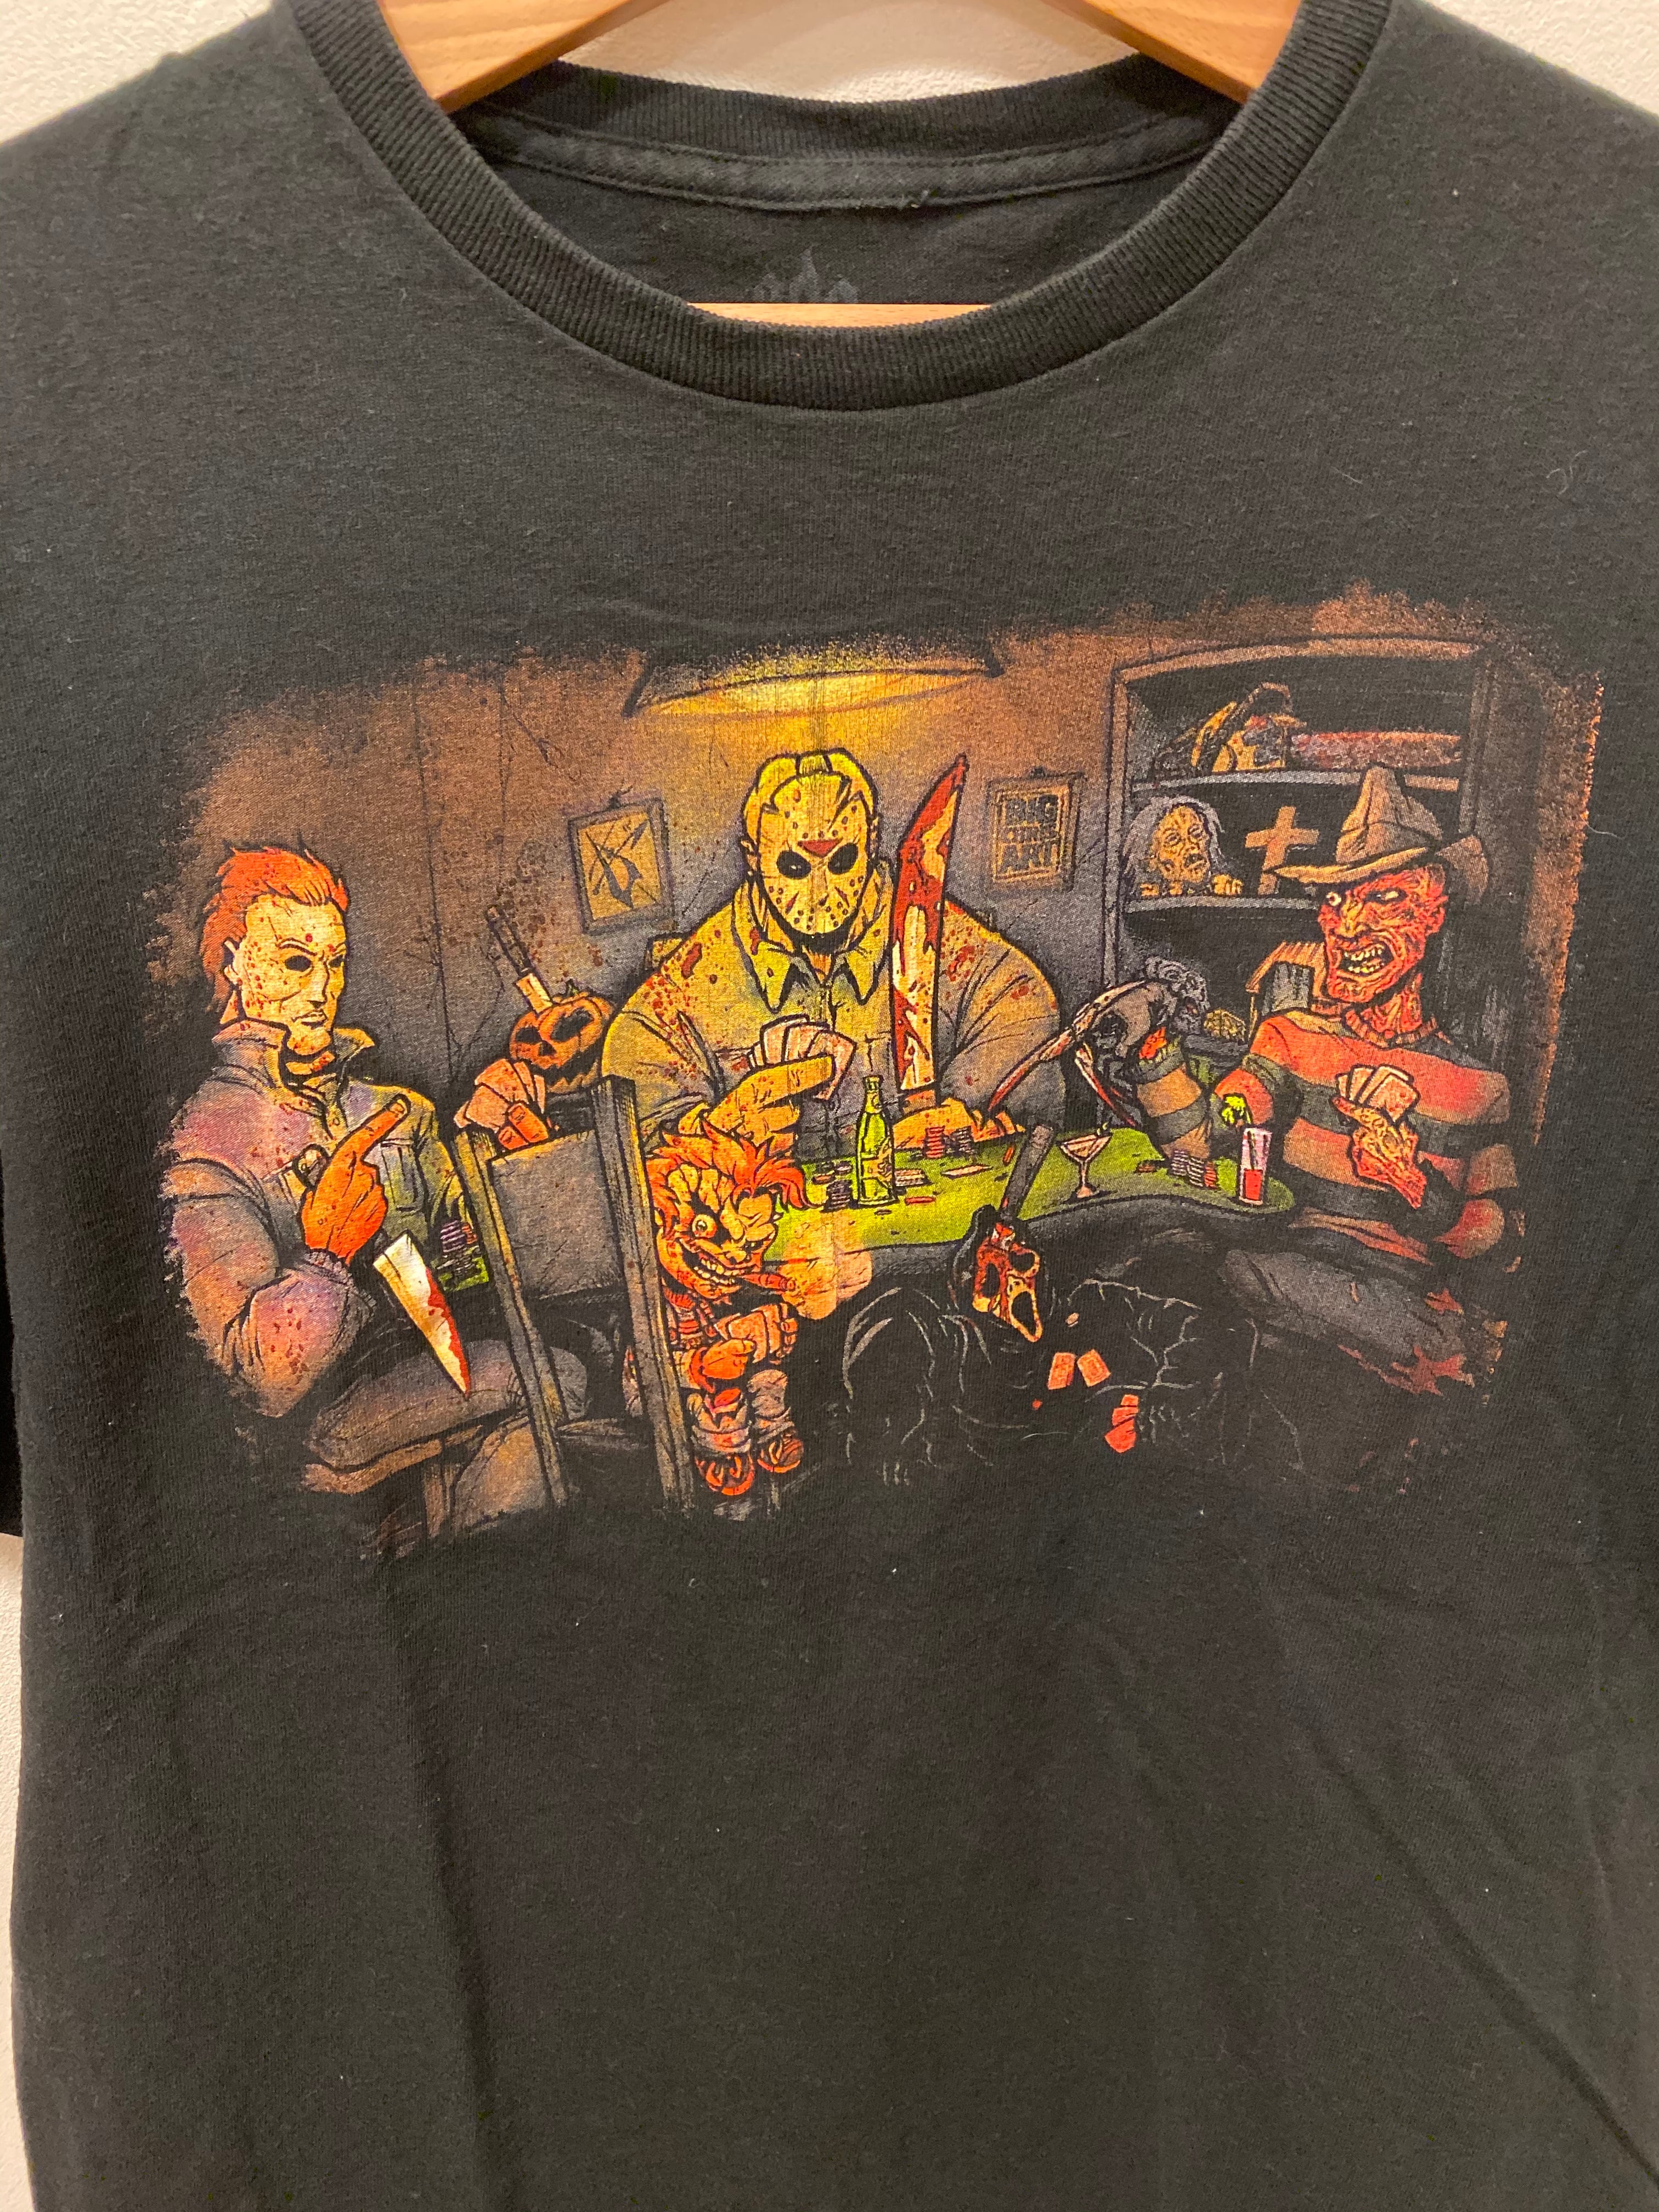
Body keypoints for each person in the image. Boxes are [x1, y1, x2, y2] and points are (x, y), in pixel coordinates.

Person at [161, 846, 574, 1541]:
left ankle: (472, 1559)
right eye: (297, 963)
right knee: (554, 1378)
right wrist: (325, 1256)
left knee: (555, 1386)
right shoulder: (205, 1143)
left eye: (334, 963)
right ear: (234, 964)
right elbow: (258, 1383)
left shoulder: (396, 1112)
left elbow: (467, 1263)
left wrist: (504, 1164)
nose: (323, 990)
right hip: (312, 1421)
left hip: (426, 1362)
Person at [1120, 768, 1517, 1397]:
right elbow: (1203, 1138)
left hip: (1397, 1308)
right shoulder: (1288, 1038)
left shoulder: (1479, 1086)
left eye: (1384, 899)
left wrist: (1411, 1182)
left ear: (1433, 913)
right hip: (1283, 1275)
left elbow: (1499, 1241)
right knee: (1172, 1265)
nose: (1348, 926)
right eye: (1336, 901)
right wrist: (1153, 1052)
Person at [596, 748, 1065, 1154]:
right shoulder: (676, 1000)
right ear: (753, 858)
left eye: (842, 862)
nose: (820, 893)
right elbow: (640, 1144)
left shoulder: (960, 955)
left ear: (872, 841)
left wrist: (965, 1113)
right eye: (794, 867)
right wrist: (712, 1140)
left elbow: (1025, 1015)